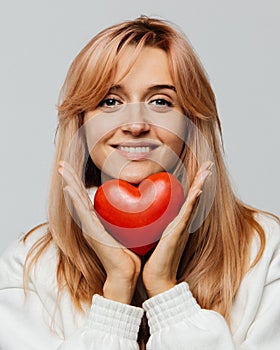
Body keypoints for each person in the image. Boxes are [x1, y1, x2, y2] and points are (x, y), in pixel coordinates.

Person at [0, 16, 279, 350]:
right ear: (82, 126)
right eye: (110, 101)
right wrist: (117, 294)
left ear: (191, 123)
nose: (134, 124)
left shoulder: (264, 252)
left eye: (160, 101)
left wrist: (166, 292)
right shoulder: (30, 265)